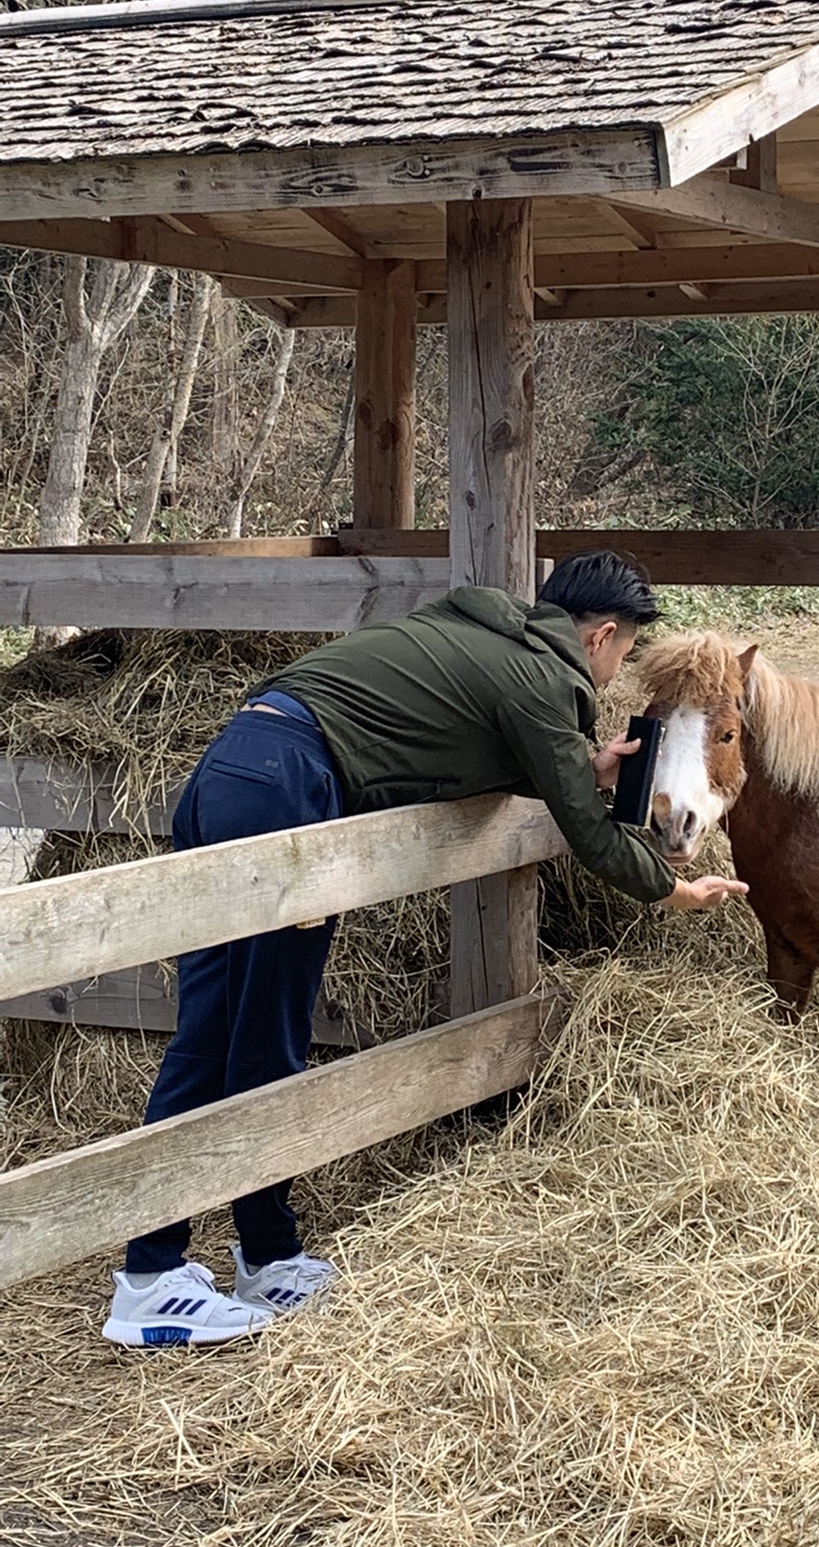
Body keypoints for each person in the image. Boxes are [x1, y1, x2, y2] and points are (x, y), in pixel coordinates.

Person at [102, 551, 744, 1349]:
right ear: (603, 635)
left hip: (237, 771)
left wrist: (584, 762)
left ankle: (256, 1256)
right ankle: (154, 1278)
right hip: (290, 794)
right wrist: (675, 889)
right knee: (258, 1037)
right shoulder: (547, 679)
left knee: (223, 1026)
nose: (613, 676)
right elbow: (589, 833)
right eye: (620, 657)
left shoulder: (480, 632)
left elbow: (467, 727)